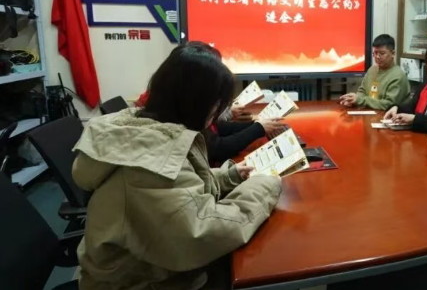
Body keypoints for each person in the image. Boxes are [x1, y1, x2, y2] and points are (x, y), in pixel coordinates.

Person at [72, 42, 282, 290]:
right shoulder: (148, 163)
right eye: (217, 104)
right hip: (139, 283)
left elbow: (181, 189)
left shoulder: (147, 130)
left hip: (149, 269)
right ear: (198, 102)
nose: (218, 113)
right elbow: (203, 233)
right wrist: (266, 184)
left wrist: (230, 175)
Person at [136, 42, 286, 163]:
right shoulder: (177, 143)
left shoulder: (170, 108)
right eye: (216, 101)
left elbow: (216, 129)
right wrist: (258, 128)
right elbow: (216, 149)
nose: (217, 108)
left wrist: (258, 125)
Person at [339, 34, 410, 110]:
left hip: (387, 116)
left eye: (382, 53)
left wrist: (361, 100)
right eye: (375, 53)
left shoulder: (398, 76)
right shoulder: (372, 70)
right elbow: (362, 91)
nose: (377, 57)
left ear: (393, 53)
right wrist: (353, 100)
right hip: (368, 113)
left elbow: (389, 105)